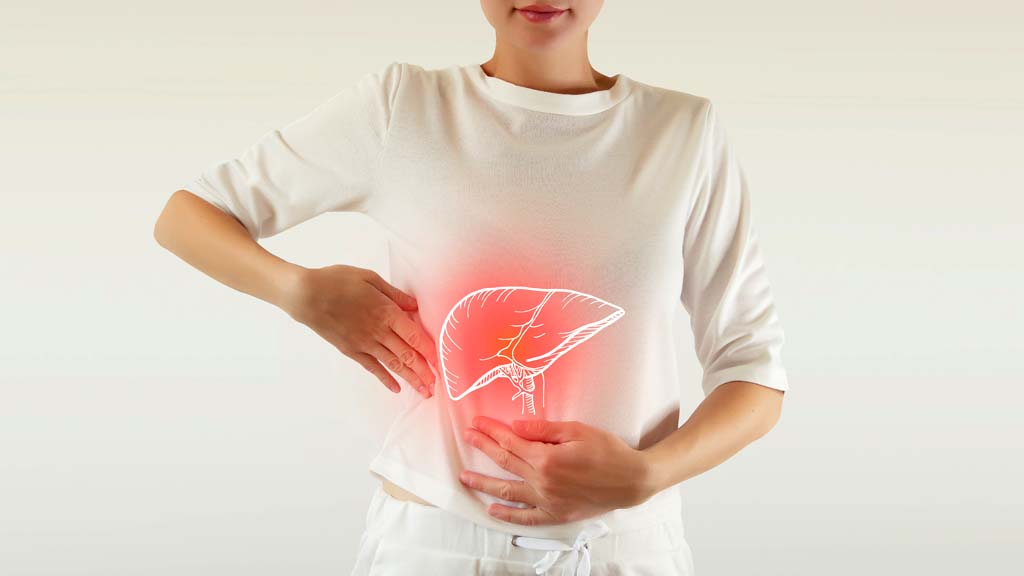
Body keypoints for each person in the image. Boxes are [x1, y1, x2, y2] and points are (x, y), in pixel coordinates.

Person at [154, 1, 789, 574]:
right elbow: (187, 216)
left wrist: (648, 474)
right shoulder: (402, 107)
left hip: (624, 550)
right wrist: (300, 293)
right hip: (435, 547)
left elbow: (754, 372)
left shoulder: (682, 132)